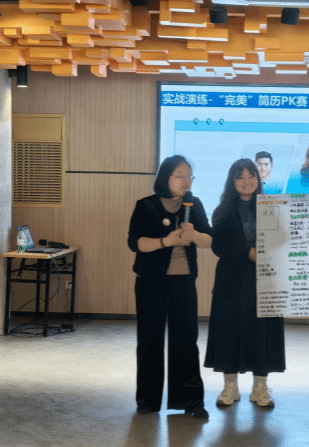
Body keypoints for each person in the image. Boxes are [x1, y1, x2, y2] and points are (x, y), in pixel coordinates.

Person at [127, 155, 212, 419]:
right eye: (180, 176)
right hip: (151, 281)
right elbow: (136, 243)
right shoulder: (146, 205)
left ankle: (191, 400)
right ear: (166, 177)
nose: (186, 181)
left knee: (186, 339)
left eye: (189, 177)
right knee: (150, 339)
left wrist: (194, 235)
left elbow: (209, 240)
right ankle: (147, 399)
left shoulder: (194, 205)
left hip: (183, 281)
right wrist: (166, 241)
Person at [204, 158, 286, 408]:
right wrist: (247, 253)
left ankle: (260, 387)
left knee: (263, 331)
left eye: (251, 176)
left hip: (265, 279)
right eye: (240, 177)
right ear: (232, 182)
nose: (246, 181)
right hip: (231, 280)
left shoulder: (271, 207)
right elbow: (219, 246)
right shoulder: (222, 210)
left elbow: (282, 239)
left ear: (258, 180)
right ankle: (230, 386)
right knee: (229, 331)